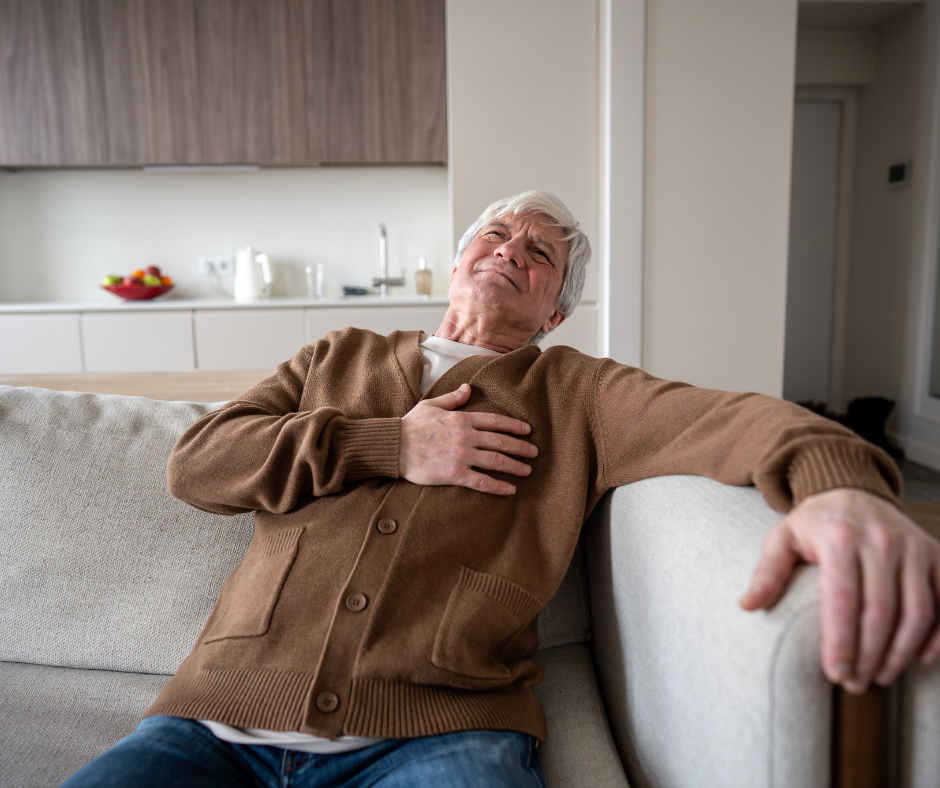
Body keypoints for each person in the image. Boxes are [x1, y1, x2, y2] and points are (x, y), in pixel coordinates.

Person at [61, 191, 940, 788]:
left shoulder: (579, 393)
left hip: (445, 732)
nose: (511, 252)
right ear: (454, 265)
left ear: (554, 312)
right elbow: (200, 463)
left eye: (540, 254)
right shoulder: (338, 358)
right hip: (217, 722)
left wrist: (838, 486)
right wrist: (387, 444)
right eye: (495, 236)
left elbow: (736, 419)